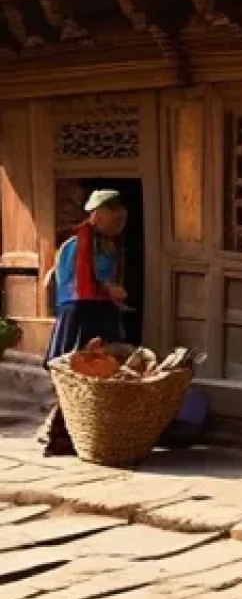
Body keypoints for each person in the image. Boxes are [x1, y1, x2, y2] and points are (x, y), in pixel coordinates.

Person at [38, 189, 129, 455]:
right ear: (98, 216)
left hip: (101, 312)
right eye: (114, 219)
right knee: (74, 372)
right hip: (79, 314)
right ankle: (54, 435)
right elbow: (74, 286)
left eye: (121, 220)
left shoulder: (109, 246)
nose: (118, 225)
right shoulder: (74, 246)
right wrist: (106, 288)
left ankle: (93, 432)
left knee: (106, 372)